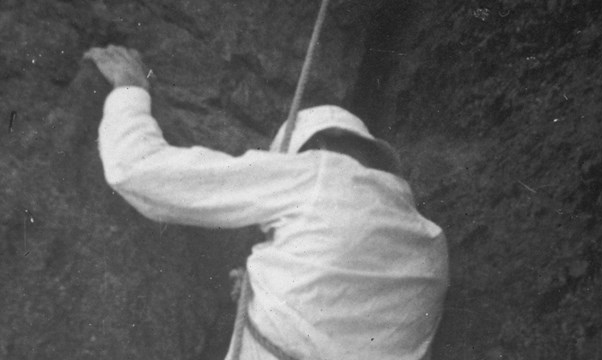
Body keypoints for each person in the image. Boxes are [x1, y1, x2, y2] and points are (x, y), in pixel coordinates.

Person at [85, 45, 448, 360]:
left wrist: (130, 88)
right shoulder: (430, 239)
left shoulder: (318, 172)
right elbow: (342, 297)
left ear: (314, 148)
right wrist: (268, 286)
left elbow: (138, 171)